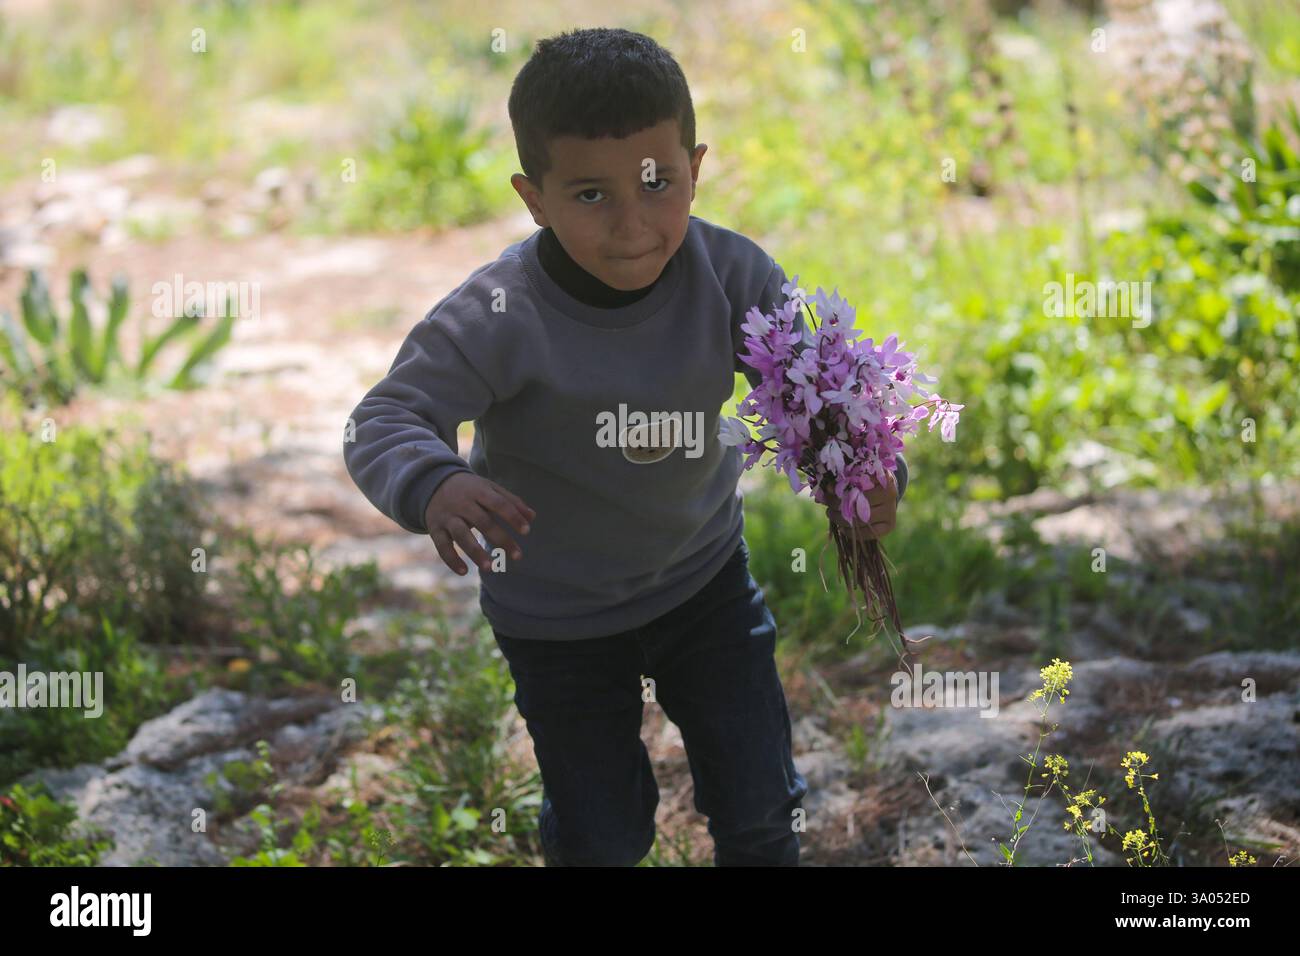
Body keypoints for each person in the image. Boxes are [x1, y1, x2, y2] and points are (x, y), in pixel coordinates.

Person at [343, 26, 908, 866]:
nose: (633, 224)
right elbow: (383, 418)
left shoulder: (732, 274)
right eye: (590, 195)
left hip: (704, 583)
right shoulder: (500, 314)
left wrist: (870, 472)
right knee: (605, 835)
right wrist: (433, 484)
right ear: (533, 198)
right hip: (557, 619)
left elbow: (823, 388)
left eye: (658, 182)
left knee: (760, 806)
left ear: (695, 167)